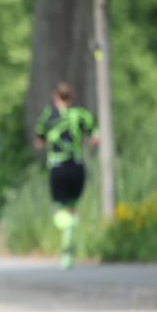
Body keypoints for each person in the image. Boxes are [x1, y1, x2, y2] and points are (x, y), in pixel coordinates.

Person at [34, 82, 99, 269]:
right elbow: (95, 136)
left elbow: (39, 140)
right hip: (77, 168)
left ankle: (67, 234)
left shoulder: (48, 115)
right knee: (72, 206)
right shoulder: (81, 115)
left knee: (58, 208)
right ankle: (68, 247)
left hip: (58, 167)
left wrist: (47, 141)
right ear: (71, 97)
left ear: (55, 97)